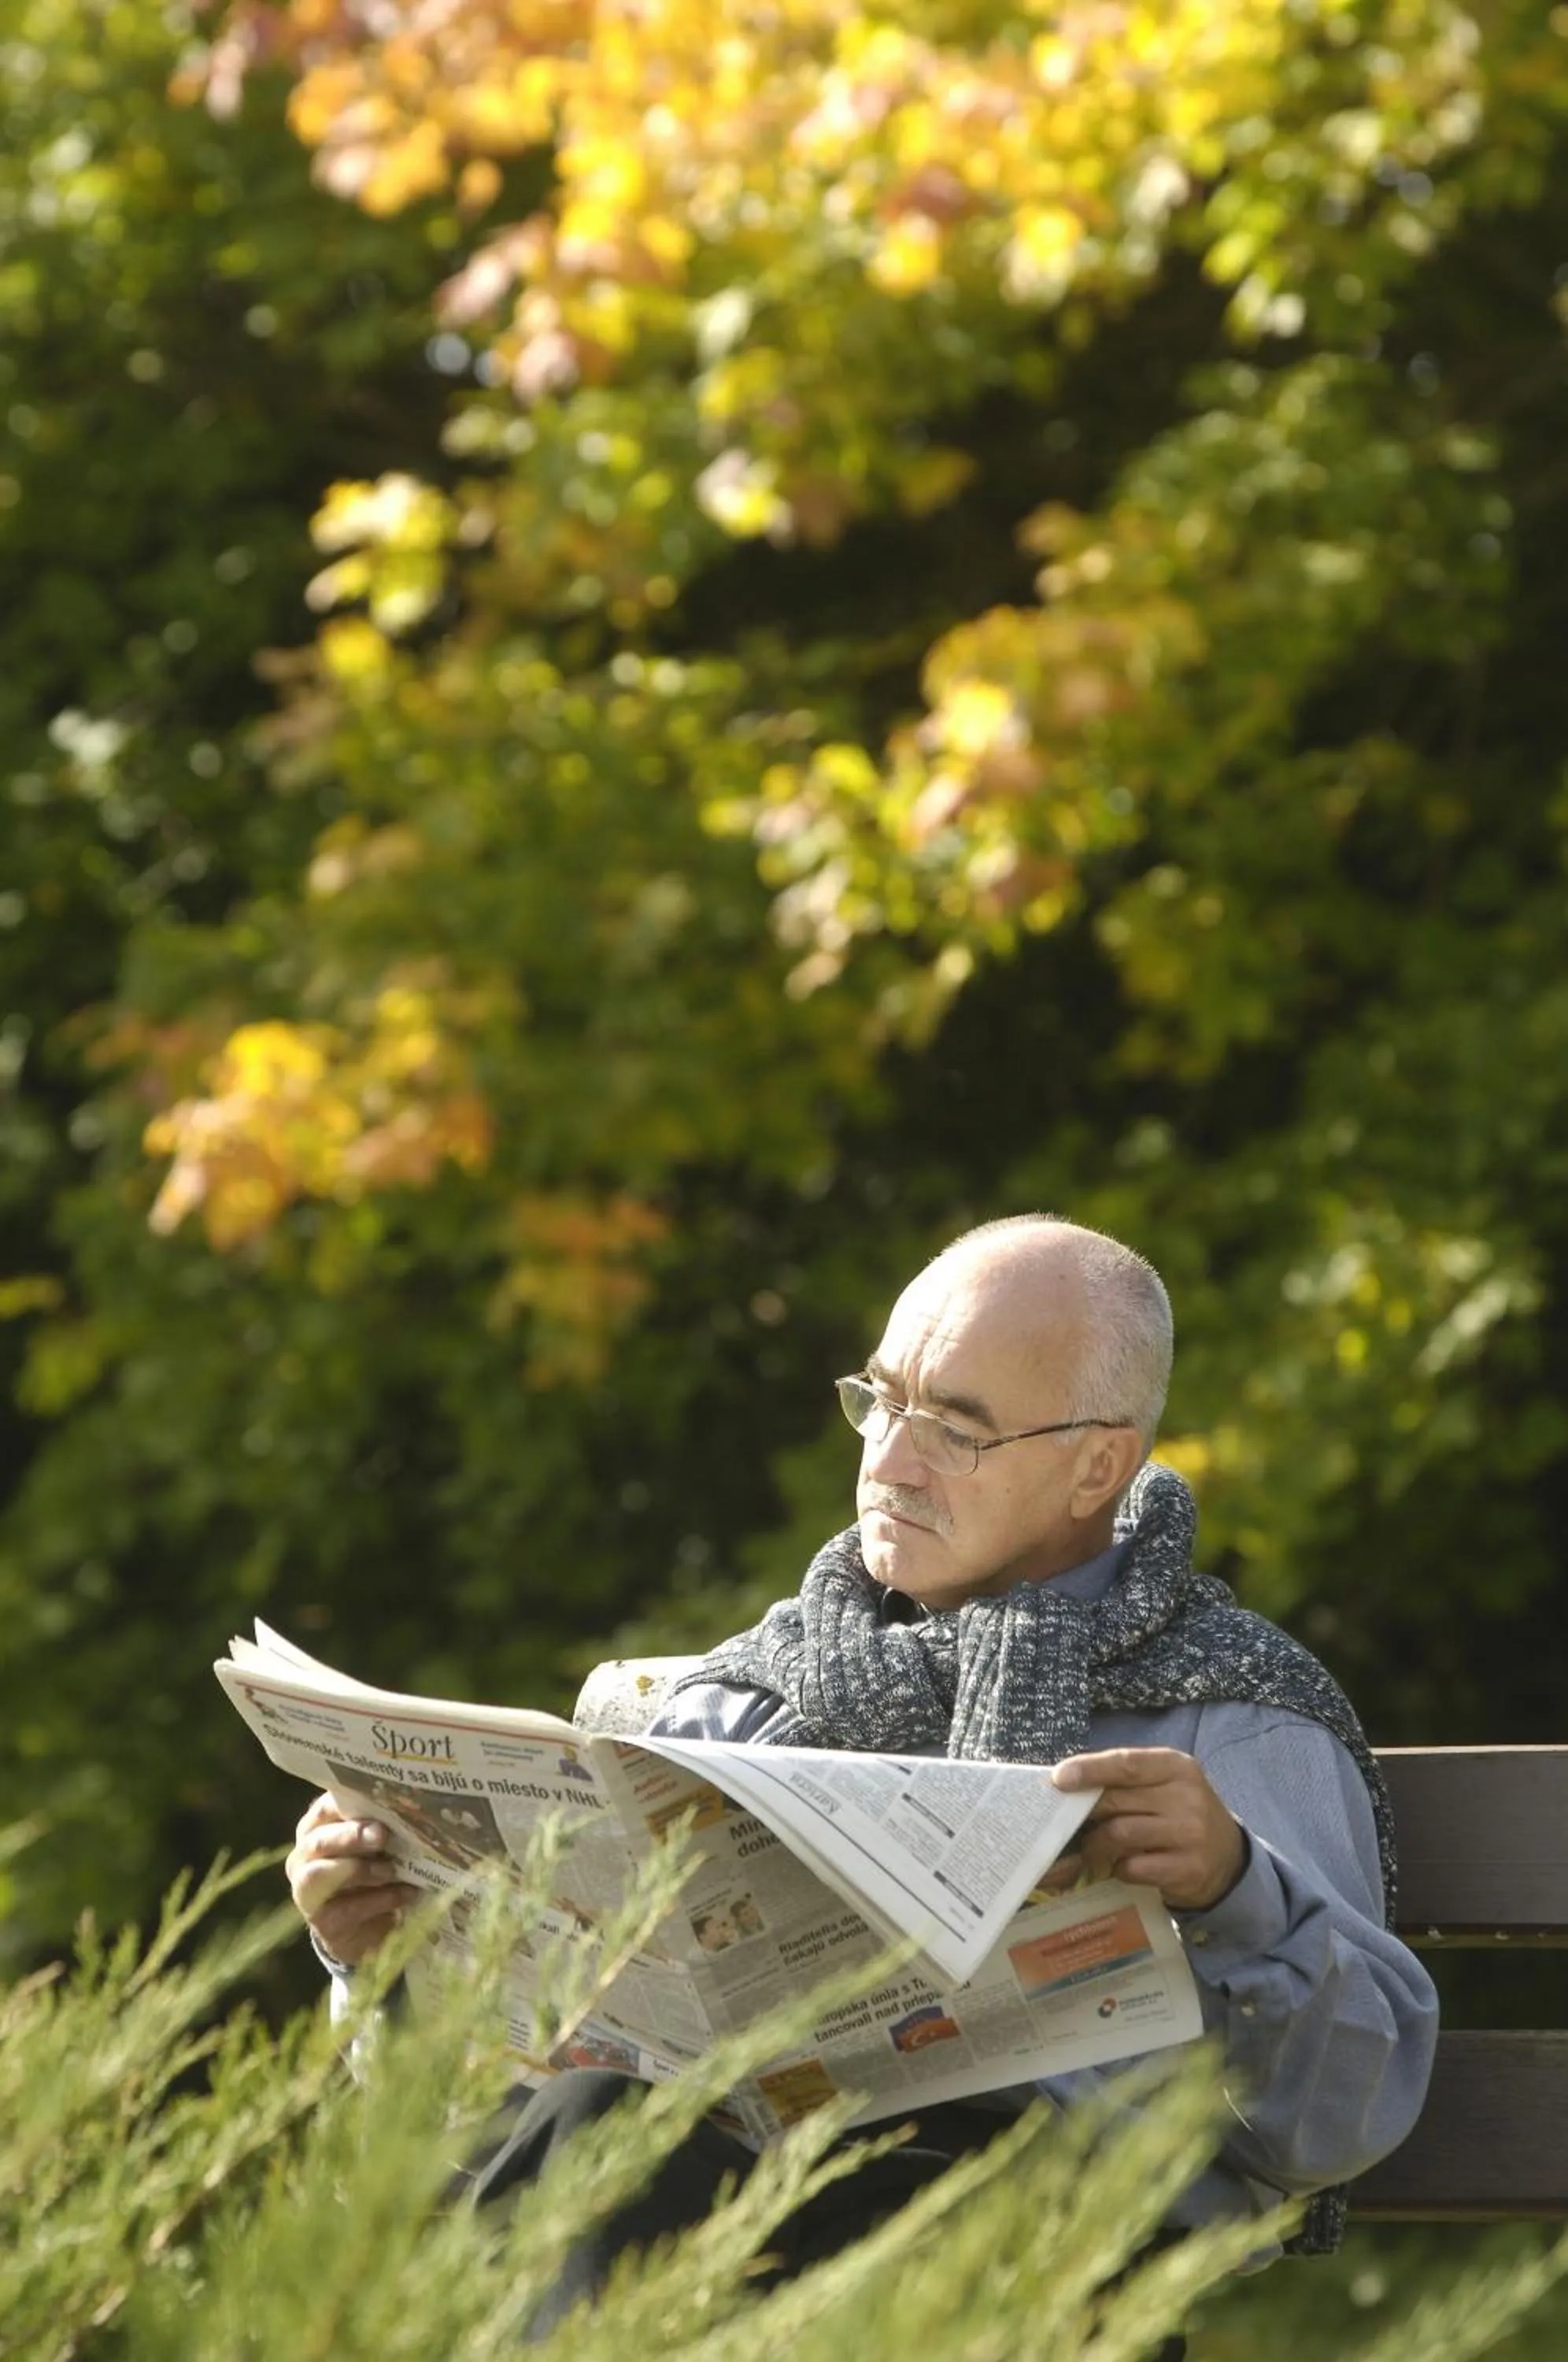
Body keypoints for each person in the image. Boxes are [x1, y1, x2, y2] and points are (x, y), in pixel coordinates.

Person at [286, 1215, 1438, 2342]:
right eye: (881, 1401)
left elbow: (1339, 2121)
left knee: (600, 2162)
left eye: (955, 1429)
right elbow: (474, 2123)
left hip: (1039, 2267)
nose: (889, 1459)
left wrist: (1237, 1890)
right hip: (721, 2225)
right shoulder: (742, 1698)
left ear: (1100, 1463)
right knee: (589, 2128)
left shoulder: (1229, 1712)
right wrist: (380, 1967)